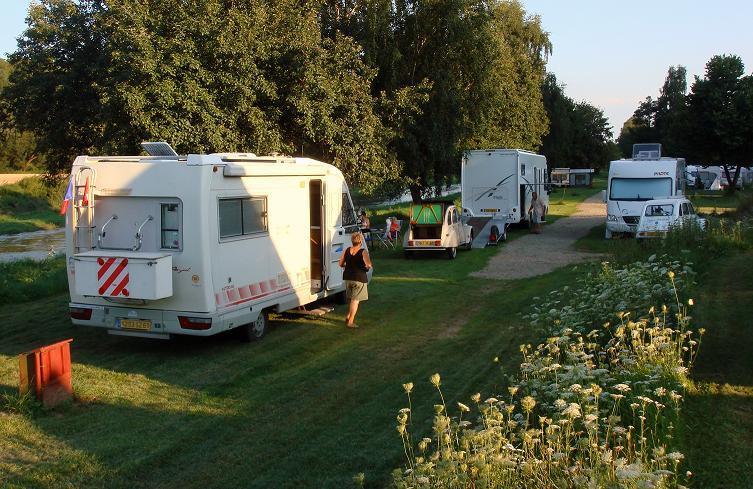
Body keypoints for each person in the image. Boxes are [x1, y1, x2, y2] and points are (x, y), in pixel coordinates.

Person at [338, 232, 372, 329]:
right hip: (359, 278)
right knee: (355, 301)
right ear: (360, 241)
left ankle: (348, 316)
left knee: (352, 299)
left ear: (352, 241)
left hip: (348, 277)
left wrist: (348, 265)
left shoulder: (347, 250)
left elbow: (340, 264)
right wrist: (365, 267)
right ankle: (350, 322)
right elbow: (369, 265)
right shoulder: (363, 252)